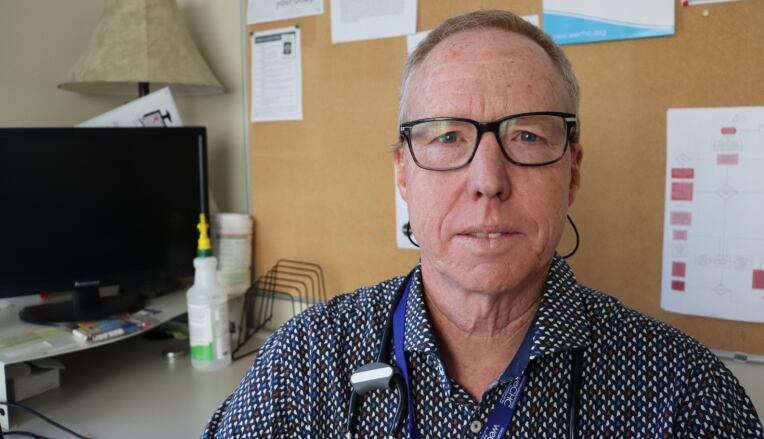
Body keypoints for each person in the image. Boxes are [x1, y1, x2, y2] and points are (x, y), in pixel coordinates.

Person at [202, 10, 763, 438]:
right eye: (448, 136)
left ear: (571, 173)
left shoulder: (684, 393)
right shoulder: (303, 361)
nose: (488, 179)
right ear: (404, 173)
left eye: (527, 135)